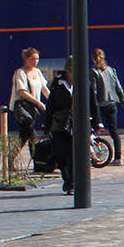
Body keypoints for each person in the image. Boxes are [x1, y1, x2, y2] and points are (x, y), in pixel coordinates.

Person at [9, 48, 48, 163]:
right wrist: (38, 102)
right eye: (32, 59)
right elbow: (22, 91)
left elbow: (44, 89)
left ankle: (11, 158)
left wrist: (52, 101)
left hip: (33, 110)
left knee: (25, 135)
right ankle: (36, 159)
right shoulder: (20, 73)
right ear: (26, 59)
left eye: (37, 59)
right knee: (30, 133)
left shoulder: (38, 72)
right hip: (23, 109)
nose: (35, 62)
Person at [91, 48, 124, 165]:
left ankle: (95, 155)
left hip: (100, 105)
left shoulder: (94, 72)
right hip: (112, 104)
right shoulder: (112, 70)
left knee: (93, 131)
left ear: (93, 59)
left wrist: (92, 107)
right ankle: (118, 157)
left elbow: (94, 91)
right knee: (114, 131)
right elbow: (118, 87)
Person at [45, 67, 75, 195]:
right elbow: (50, 104)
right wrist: (46, 125)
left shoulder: (84, 81)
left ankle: (72, 183)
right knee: (61, 154)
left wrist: (97, 122)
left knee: (73, 155)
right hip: (59, 123)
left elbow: (92, 101)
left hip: (76, 124)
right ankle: (66, 178)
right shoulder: (58, 83)